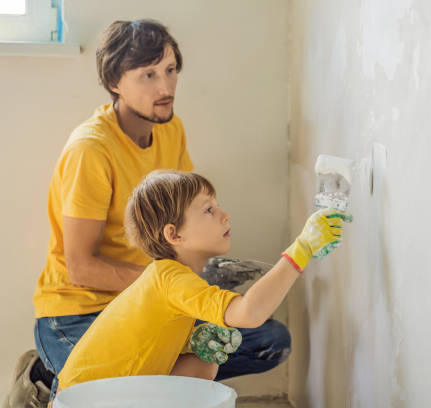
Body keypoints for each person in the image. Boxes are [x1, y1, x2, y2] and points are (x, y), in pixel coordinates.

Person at [2, 19, 289, 408]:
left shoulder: (171, 130)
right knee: (92, 394)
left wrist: (203, 277)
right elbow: (81, 267)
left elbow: (185, 222)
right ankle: (46, 380)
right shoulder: (91, 150)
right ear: (115, 81)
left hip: (152, 301)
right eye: (148, 75)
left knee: (267, 341)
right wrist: (170, 289)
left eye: (170, 70)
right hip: (77, 310)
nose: (165, 87)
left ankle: (145, 382)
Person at [51, 170, 351, 403]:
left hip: (97, 393)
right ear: (174, 235)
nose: (224, 214)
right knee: (206, 362)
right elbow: (249, 313)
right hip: (86, 401)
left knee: (204, 363)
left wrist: (193, 342)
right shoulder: (172, 280)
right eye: (208, 210)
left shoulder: (167, 276)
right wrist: (301, 249)